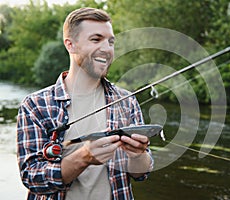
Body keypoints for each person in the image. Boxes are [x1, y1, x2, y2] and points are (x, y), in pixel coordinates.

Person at [16, 7, 153, 200]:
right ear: (70, 45)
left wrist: (137, 155)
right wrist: (84, 157)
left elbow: (141, 174)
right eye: (96, 40)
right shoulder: (35, 105)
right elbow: (32, 178)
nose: (106, 49)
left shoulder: (127, 101)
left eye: (111, 41)